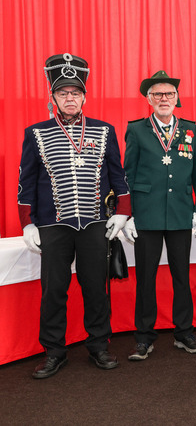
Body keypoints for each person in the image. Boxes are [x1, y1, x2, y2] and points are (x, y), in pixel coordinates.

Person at [18, 53, 130, 378]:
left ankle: (98, 345)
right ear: (53, 97)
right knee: (54, 289)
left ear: (84, 96)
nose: (70, 98)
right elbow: (26, 181)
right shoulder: (36, 133)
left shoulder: (104, 130)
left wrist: (123, 213)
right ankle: (54, 351)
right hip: (52, 224)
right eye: (63, 92)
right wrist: (28, 223)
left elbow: (118, 175)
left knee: (96, 287)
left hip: (95, 223)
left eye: (76, 92)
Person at [123, 71, 196, 360]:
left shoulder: (190, 129)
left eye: (169, 94)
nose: (163, 99)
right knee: (146, 278)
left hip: (181, 213)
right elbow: (128, 173)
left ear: (176, 98)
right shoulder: (137, 130)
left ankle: (184, 333)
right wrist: (128, 214)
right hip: (146, 215)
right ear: (149, 99)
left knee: (181, 276)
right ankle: (144, 337)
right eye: (157, 94)